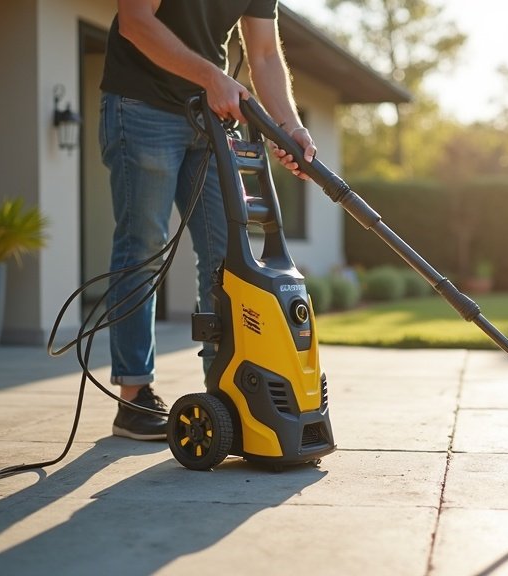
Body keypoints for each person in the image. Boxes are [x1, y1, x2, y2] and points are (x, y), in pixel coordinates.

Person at [99, 0, 316, 440]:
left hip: (210, 116)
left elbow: (265, 55)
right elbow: (135, 22)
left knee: (227, 257)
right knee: (144, 249)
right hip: (142, 106)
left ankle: (226, 390)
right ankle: (134, 394)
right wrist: (212, 77)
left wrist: (289, 125)